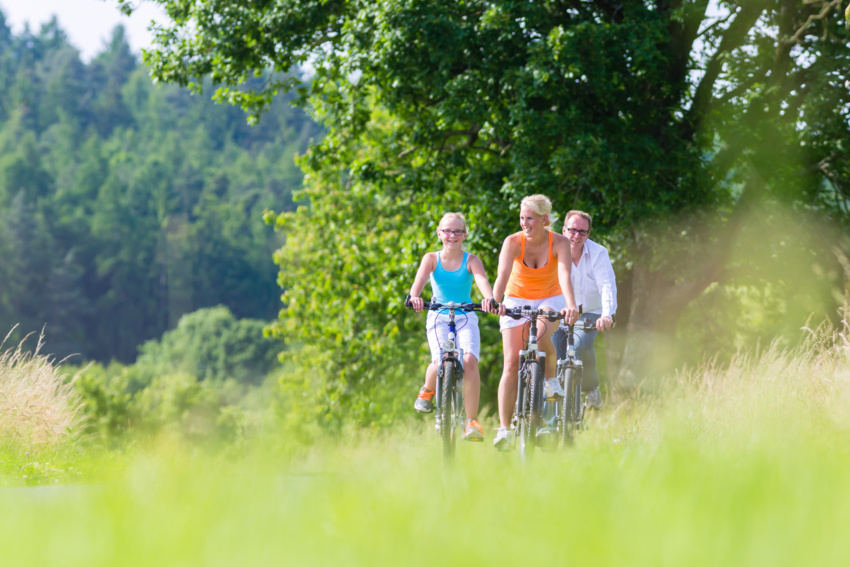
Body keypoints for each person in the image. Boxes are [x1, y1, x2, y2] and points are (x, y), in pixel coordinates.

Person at [491, 195, 579, 450]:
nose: (524, 223)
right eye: (522, 218)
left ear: (544, 219)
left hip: (550, 296)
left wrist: (571, 305)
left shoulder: (560, 242)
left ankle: (550, 381)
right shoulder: (512, 242)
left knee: (540, 337)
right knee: (511, 362)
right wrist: (495, 301)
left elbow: (564, 275)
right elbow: (503, 275)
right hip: (516, 297)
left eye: (529, 218)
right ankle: (505, 429)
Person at [408, 212, 497, 442]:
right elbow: (417, 283)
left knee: (469, 361)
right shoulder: (431, 259)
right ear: (439, 234)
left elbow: (482, 280)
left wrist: (489, 298)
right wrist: (415, 297)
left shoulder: (471, 260)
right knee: (439, 360)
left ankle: (471, 421)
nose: (452, 235)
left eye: (458, 231)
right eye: (447, 231)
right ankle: (428, 390)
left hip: (465, 315)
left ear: (465, 235)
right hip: (438, 315)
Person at [554, 210, 617, 410]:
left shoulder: (598, 253)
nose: (576, 236)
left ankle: (591, 389)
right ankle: (558, 406)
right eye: (572, 230)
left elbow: (606, 285)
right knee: (556, 345)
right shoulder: (552, 251)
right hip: (562, 312)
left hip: (592, 311)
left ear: (588, 234)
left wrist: (607, 315)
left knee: (581, 343)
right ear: (564, 230)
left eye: (582, 232)